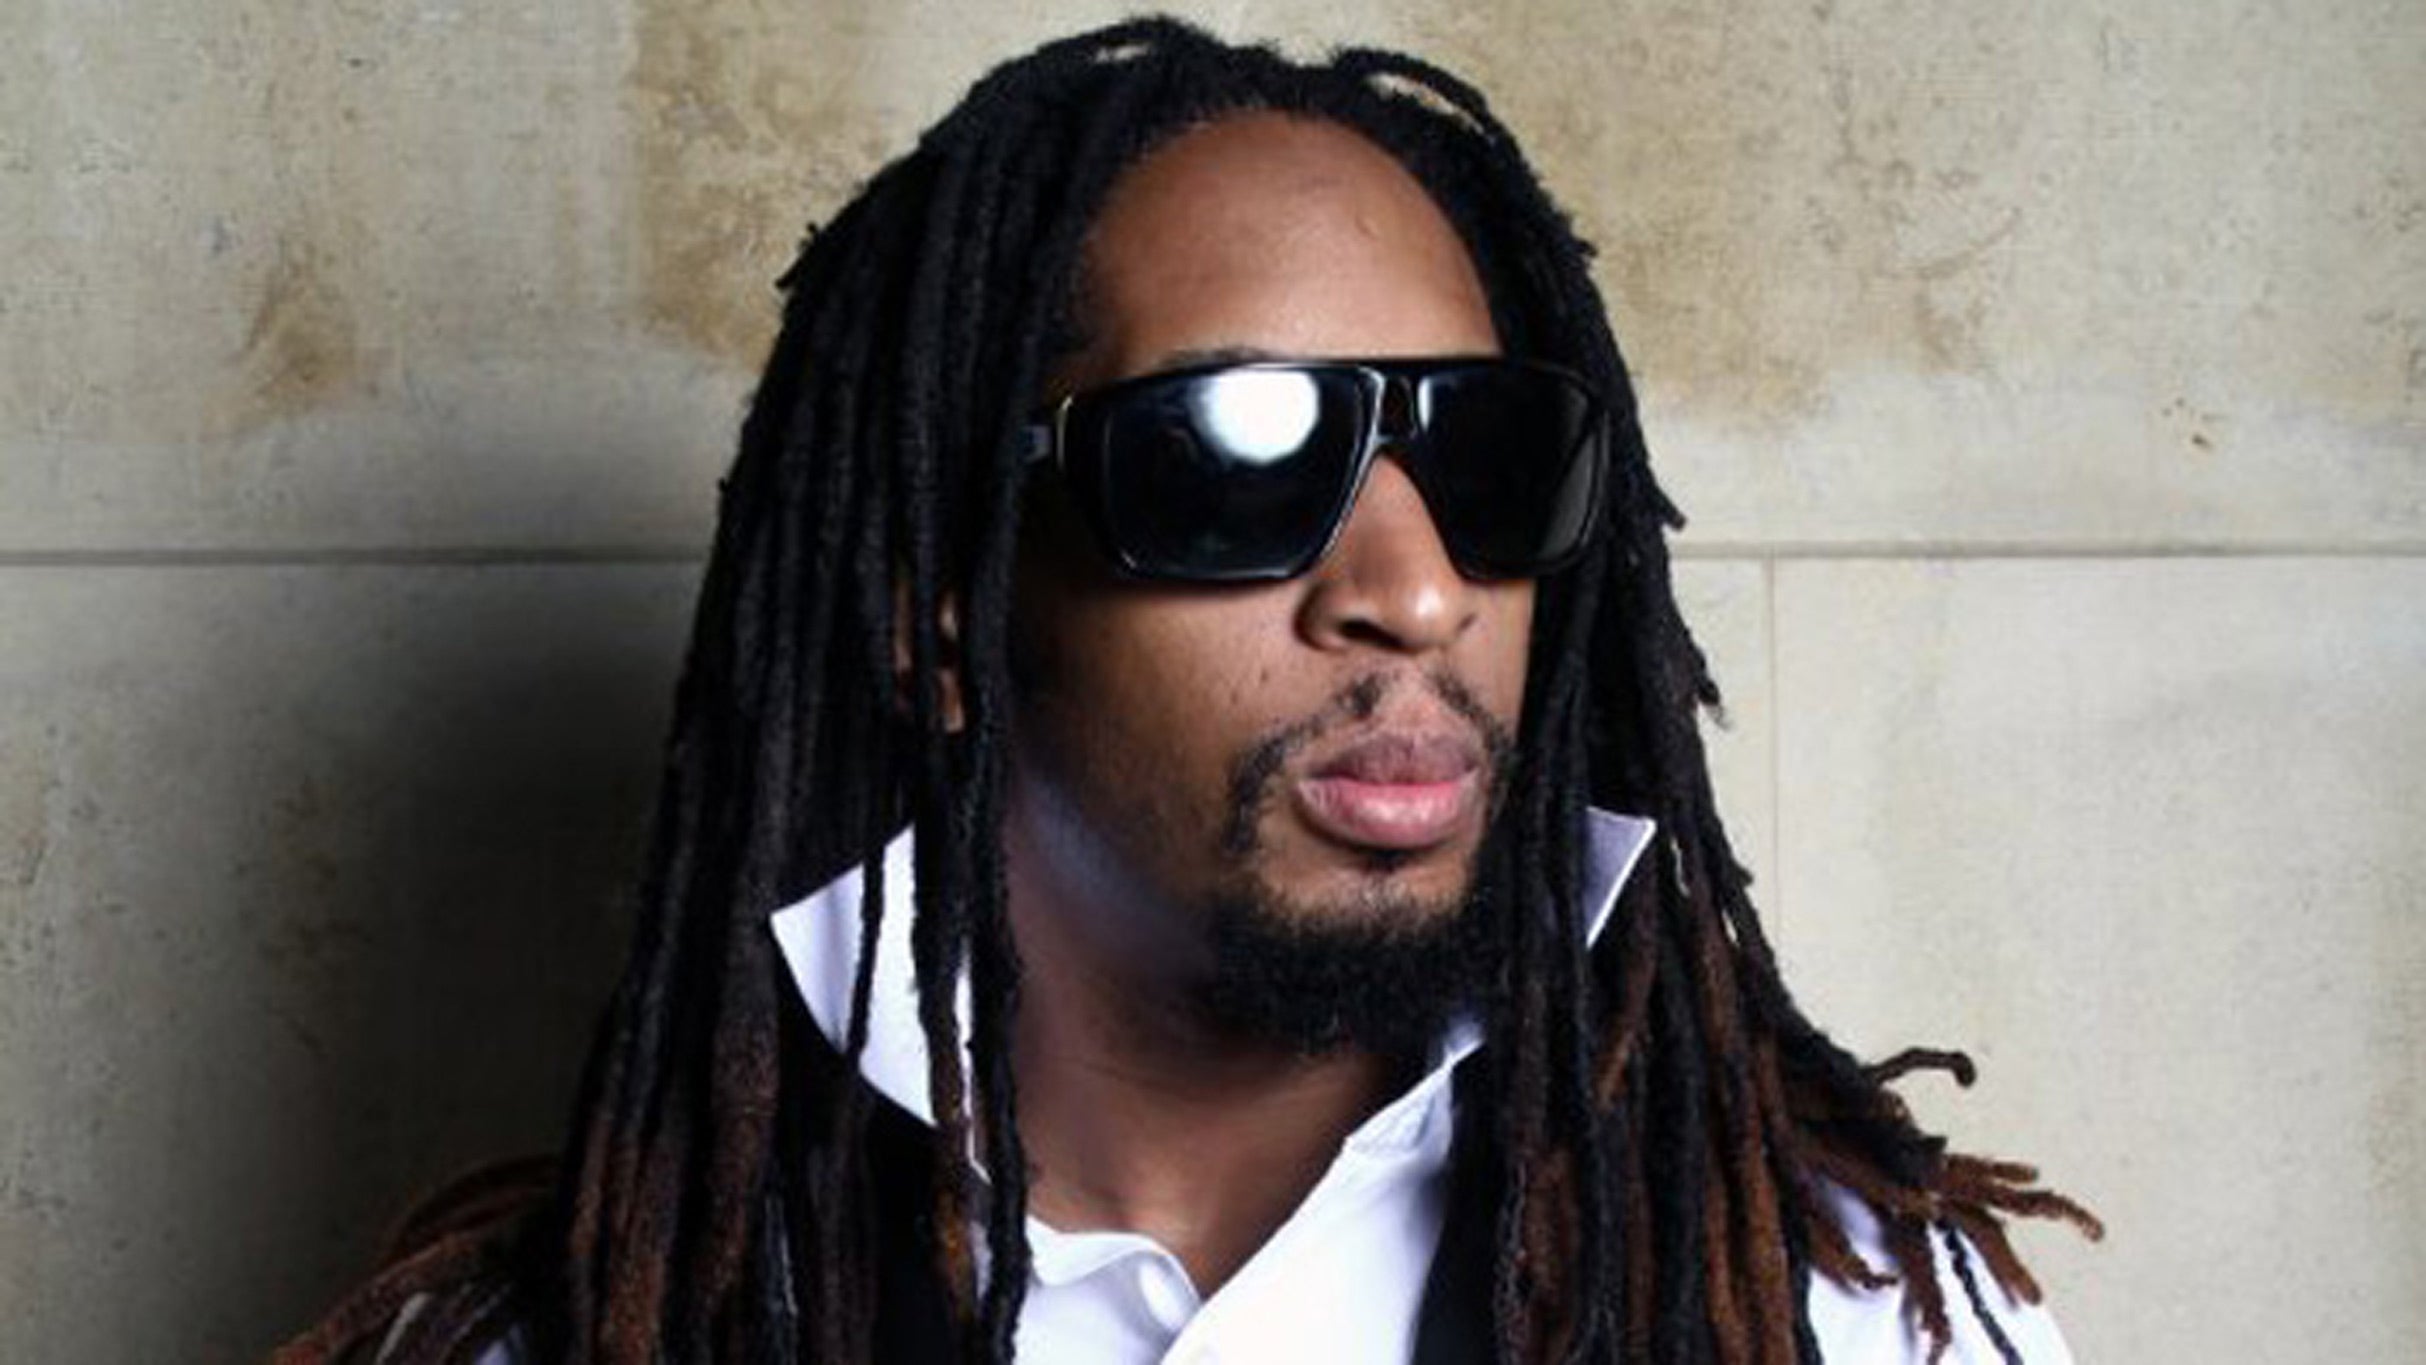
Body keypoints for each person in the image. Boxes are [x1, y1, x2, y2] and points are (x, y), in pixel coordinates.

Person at [280, 18, 2098, 1365]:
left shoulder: (1851, 1318)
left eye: (1485, 457)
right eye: (1237, 455)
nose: (1414, 593)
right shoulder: (585, 1331)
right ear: (942, 617)